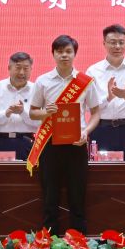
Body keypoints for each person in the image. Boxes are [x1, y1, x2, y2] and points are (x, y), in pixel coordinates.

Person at [28, 35, 102, 233]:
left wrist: (86, 131)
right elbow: (33, 112)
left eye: (68, 51)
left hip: (77, 143)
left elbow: (96, 113)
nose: (64, 55)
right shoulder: (43, 81)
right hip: (50, 143)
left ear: (74, 54)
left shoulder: (85, 82)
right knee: (50, 196)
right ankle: (49, 241)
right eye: (59, 52)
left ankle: (78, 241)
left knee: (77, 195)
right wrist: (46, 112)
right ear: (53, 54)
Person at [86, 24, 125, 160]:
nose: (117, 46)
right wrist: (108, 98)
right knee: (100, 171)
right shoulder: (93, 71)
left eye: (121, 42)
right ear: (104, 43)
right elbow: (87, 106)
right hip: (101, 129)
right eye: (112, 42)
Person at [0, 51, 39, 160]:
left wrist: (23, 112)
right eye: (18, 68)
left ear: (31, 69)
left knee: (28, 172)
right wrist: (5, 113)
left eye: (26, 68)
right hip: (1, 142)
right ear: (9, 68)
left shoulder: (36, 90)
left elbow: (40, 122)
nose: (21, 72)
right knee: (0, 172)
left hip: (27, 142)